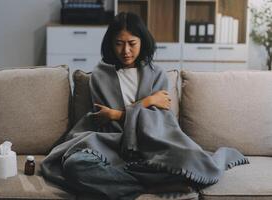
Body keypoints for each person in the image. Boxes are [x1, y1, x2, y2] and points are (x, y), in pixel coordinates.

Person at [41, 12, 248, 200]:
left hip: (151, 145)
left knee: (190, 159)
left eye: (132, 43)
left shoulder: (157, 75)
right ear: (111, 44)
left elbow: (159, 121)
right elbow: (106, 121)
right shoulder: (100, 76)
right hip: (111, 144)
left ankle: (120, 186)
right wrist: (147, 102)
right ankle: (151, 187)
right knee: (75, 165)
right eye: (119, 43)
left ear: (142, 42)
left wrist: (117, 114)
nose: (126, 51)